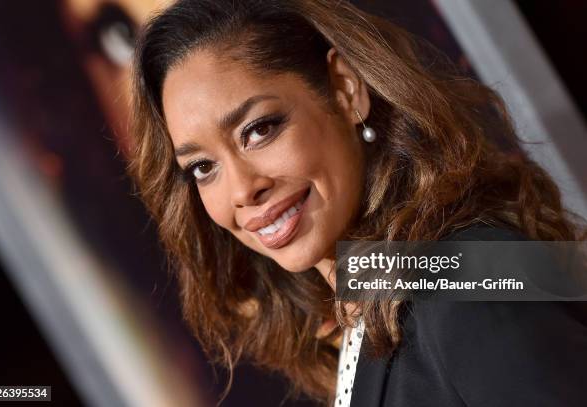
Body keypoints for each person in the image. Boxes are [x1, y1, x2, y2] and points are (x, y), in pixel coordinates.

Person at [127, 0, 587, 406]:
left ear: (346, 90)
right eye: (203, 167)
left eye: (259, 129)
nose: (242, 190)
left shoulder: (466, 282)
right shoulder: (372, 300)